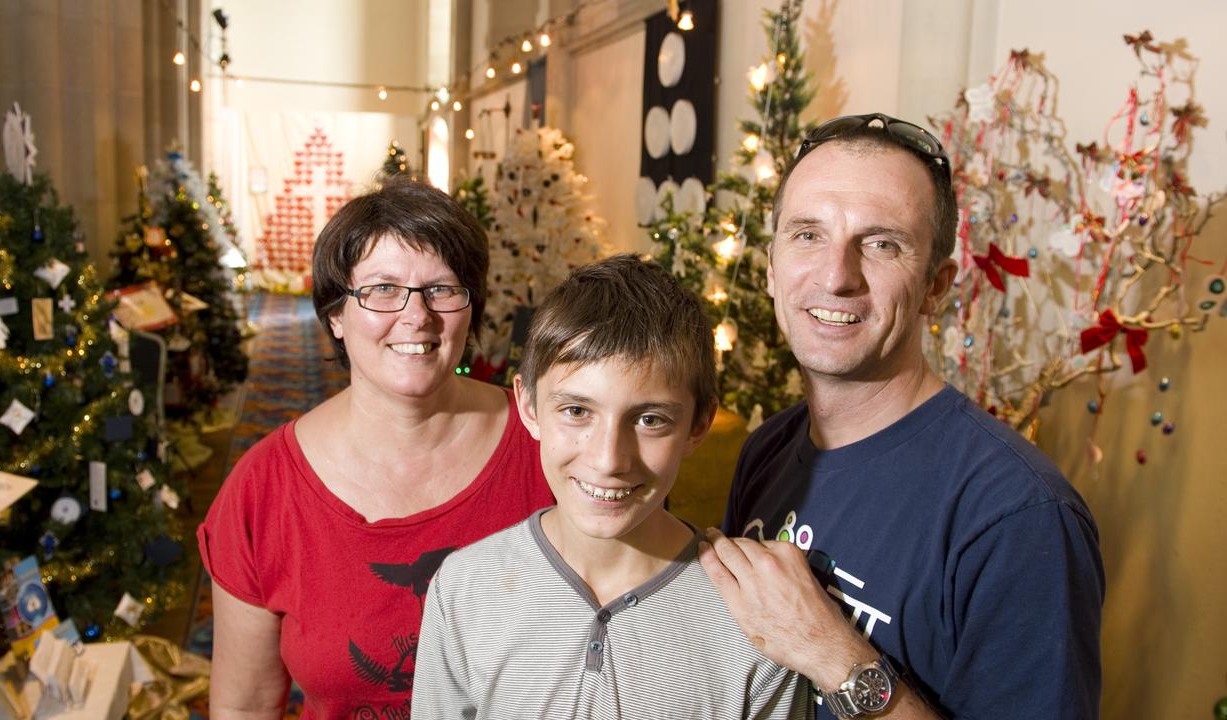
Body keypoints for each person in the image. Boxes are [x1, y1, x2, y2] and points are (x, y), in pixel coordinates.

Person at [698, 113, 1104, 719]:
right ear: (770, 268)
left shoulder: (1018, 515)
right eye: (807, 235)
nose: (836, 276)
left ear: (936, 287)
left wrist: (833, 653)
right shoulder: (768, 449)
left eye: (882, 244)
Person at [198, 177, 554, 719]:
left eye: (442, 288)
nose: (417, 316)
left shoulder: (549, 448)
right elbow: (245, 706)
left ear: (470, 308)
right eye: (382, 288)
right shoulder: (263, 489)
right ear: (336, 315)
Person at [412, 254, 813, 719]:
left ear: (699, 424)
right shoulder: (464, 589)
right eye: (577, 411)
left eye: (649, 419)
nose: (608, 459)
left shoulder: (753, 615)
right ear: (528, 406)